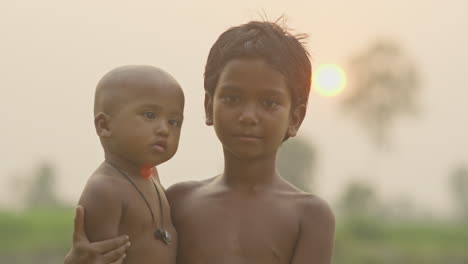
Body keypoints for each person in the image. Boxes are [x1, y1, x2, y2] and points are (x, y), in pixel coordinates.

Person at [65, 20, 335, 264]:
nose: (248, 116)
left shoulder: (309, 217)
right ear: (208, 106)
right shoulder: (178, 202)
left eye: (269, 103)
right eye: (232, 98)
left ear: (295, 117)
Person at [70, 65, 185, 264]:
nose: (164, 129)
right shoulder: (105, 189)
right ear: (104, 126)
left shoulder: (151, 177)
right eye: (150, 115)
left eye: (174, 121)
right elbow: (98, 256)